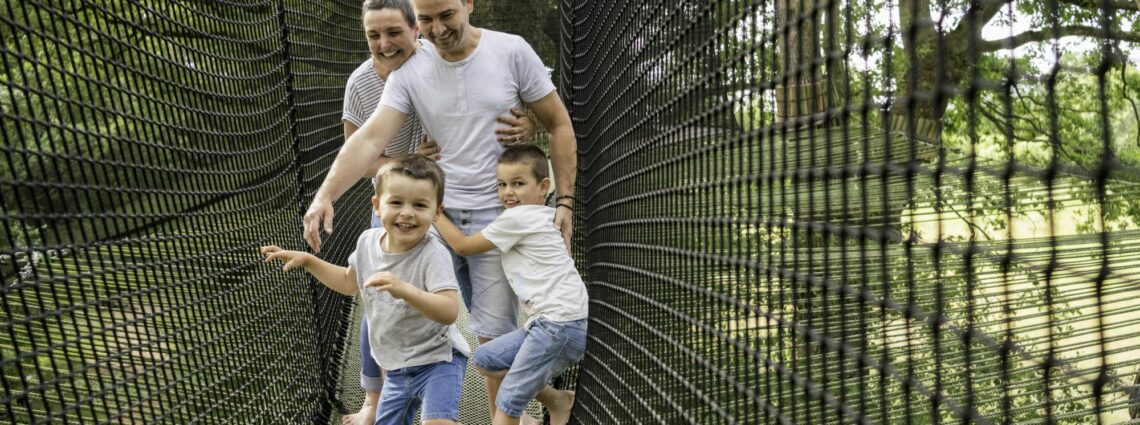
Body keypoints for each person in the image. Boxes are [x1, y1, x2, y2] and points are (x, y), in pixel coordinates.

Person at [304, 0, 578, 418]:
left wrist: (565, 201)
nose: (437, 29)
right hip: (436, 218)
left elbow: (557, 122)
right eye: (427, 20)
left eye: (446, 15)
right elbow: (369, 138)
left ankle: (507, 416)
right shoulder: (409, 73)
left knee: (494, 336)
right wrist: (325, 195)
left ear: (468, 4)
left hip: (495, 219)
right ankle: (384, 405)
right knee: (400, 310)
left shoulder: (513, 51)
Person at [262, 154, 469, 425]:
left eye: (420, 205)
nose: (407, 212)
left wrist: (405, 290)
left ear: (437, 212)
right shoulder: (368, 242)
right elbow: (349, 282)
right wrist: (310, 261)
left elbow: (449, 310)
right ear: (377, 206)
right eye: (396, 202)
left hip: (439, 360)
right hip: (395, 367)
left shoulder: (433, 253)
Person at [434, 145, 588, 425]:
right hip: (557, 323)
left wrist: (435, 215)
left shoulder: (517, 218)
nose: (508, 192)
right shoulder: (546, 215)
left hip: (557, 326)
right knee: (485, 358)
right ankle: (558, 400)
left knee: (507, 402)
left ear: (544, 187)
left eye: (518, 184)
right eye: (502, 184)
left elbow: (464, 246)